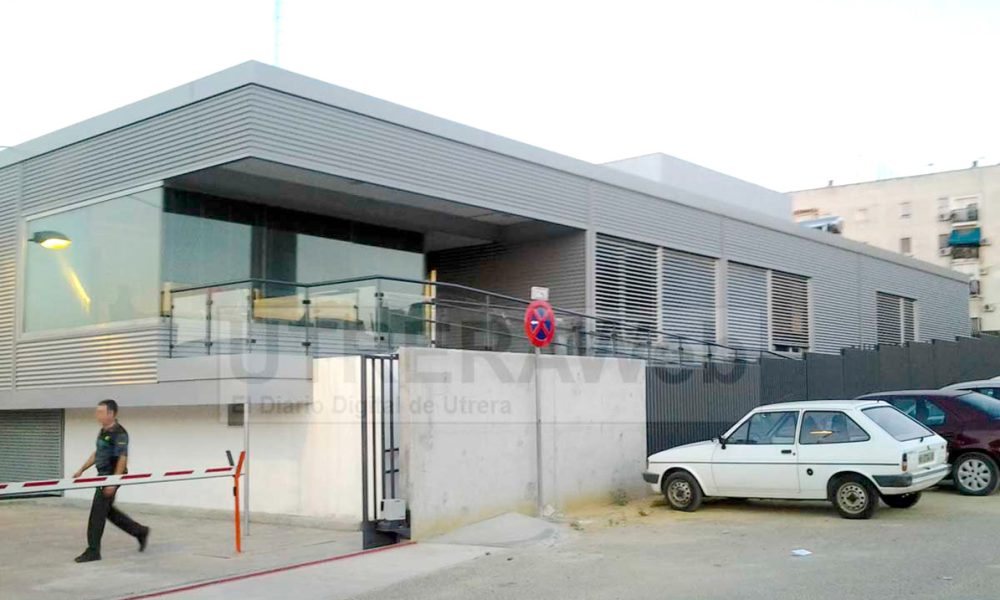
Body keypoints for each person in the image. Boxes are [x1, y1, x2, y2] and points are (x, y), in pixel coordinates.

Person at [73, 399, 150, 563]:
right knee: (107, 511)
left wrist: (113, 482)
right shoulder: (103, 431)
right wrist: (82, 469)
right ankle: (140, 531)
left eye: (100, 412)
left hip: (111, 476)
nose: (97, 415)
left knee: (97, 514)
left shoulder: (120, 434)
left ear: (111, 413)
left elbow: (122, 459)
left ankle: (93, 551)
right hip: (102, 476)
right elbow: (97, 453)